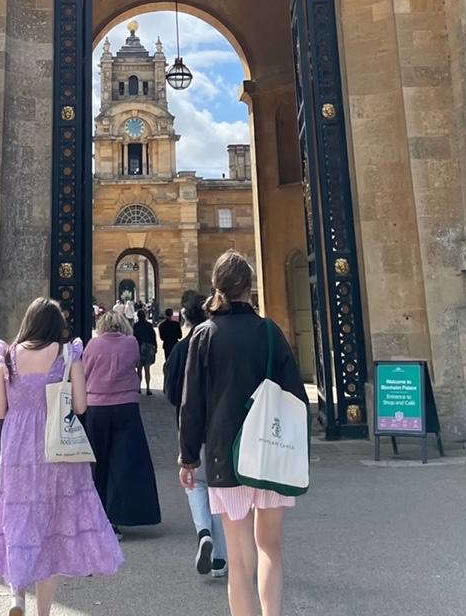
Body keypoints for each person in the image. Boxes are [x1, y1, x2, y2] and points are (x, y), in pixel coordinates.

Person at [179, 251, 306, 616]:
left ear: (216, 286)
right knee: (270, 548)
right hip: (270, 452)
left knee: (238, 560)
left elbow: (192, 406)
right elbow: (296, 397)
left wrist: (188, 457)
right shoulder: (270, 332)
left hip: (224, 455)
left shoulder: (203, 336)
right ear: (250, 287)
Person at [0, 297, 123, 616]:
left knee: (19, 516)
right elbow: (80, 406)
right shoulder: (67, 355)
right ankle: (43, 612)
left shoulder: (7, 357)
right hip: (57, 446)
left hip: (18, 446)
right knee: (50, 526)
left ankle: (16, 595)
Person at [82, 309, 161, 536]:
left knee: (98, 461)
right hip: (126, 406)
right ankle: (119, 514)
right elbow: (135, 364)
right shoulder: (131, 343)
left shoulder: (93, 345)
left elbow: (85, 372)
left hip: (97, 407)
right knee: (124, 463)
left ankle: (98, 514)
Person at [165, 294, 227, 581]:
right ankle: (219, 560)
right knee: (219, 490)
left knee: (195, 485)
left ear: (186, 318)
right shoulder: (219, 342)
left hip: (190, 428)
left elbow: (170, 391)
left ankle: (203, 531)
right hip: (218, 428)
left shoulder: (180, 349)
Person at [133, 306, 158, 396]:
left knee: (139, 369)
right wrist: (155, 347)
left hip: (139, 347)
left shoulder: (135, 326)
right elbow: (153, 336)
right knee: (147, 369)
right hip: (148, 347)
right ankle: (148, 388)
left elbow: (133, 337)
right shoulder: (149, 325)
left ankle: (139, 387)